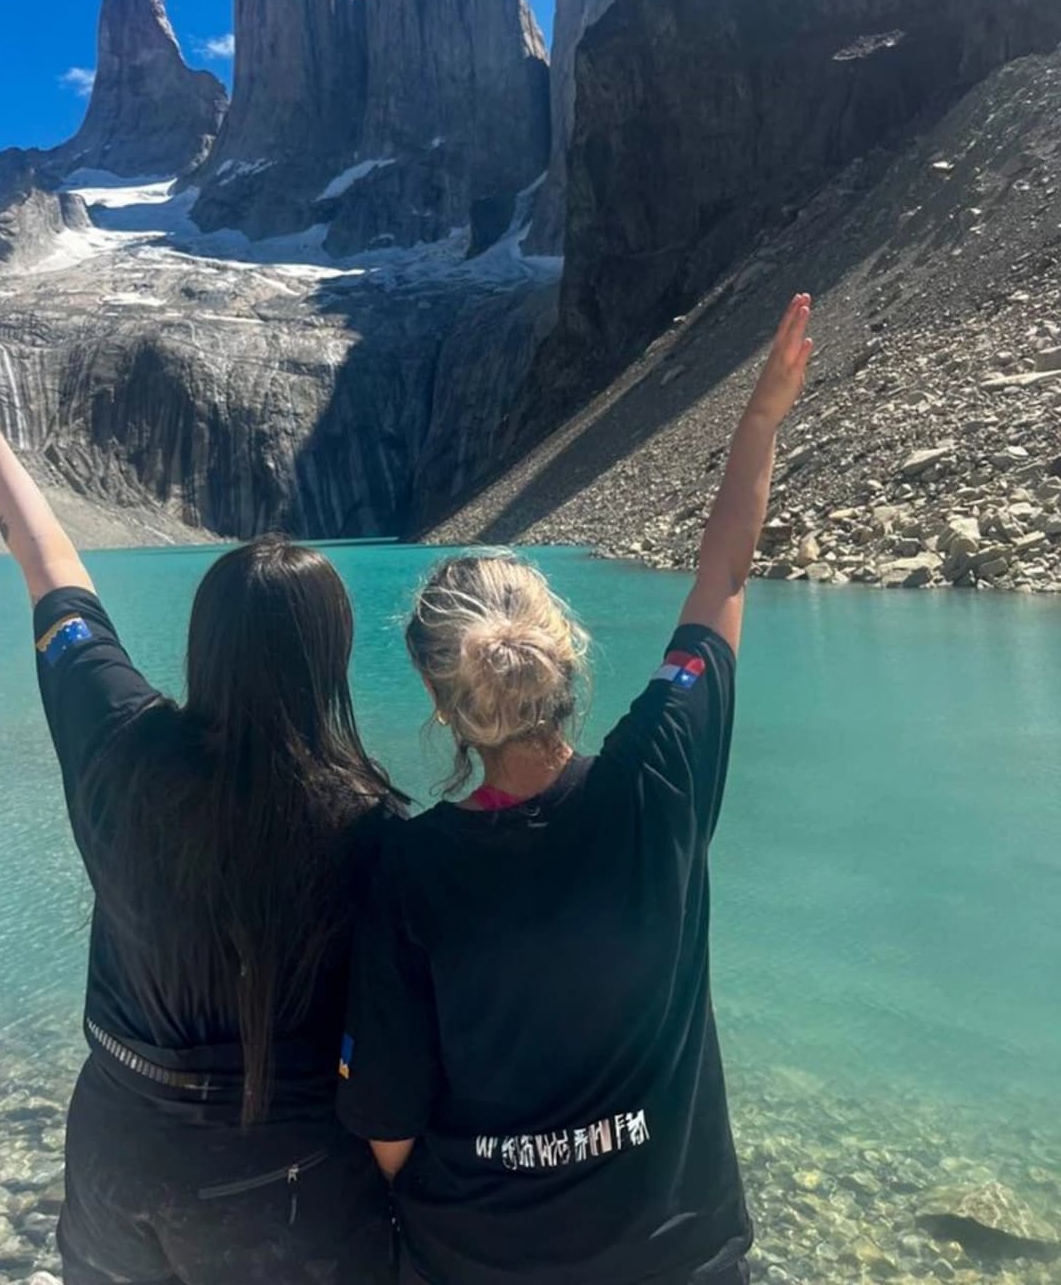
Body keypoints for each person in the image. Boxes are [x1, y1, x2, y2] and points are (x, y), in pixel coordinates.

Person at [0, 370, 403, 1285]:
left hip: (115, 1143)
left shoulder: (114, 732)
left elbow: (50, 573)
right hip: (285, 1177)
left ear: (203, 642)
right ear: (332, 662)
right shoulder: (373, 829)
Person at [338, 296, 816, 1285]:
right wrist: (761, 420)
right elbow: (723, 578)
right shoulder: (661, 777)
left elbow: (386, 1125)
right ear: (565, 653)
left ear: (439, 699)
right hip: (678, 1255)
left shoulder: (406, 863)